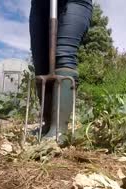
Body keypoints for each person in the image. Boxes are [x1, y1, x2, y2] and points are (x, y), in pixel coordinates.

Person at [29, 0, 93, 140]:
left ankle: (58, 129)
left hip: (74, 2)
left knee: (63, 54)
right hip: (40, 5)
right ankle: (47, 125)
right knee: (41, 63)